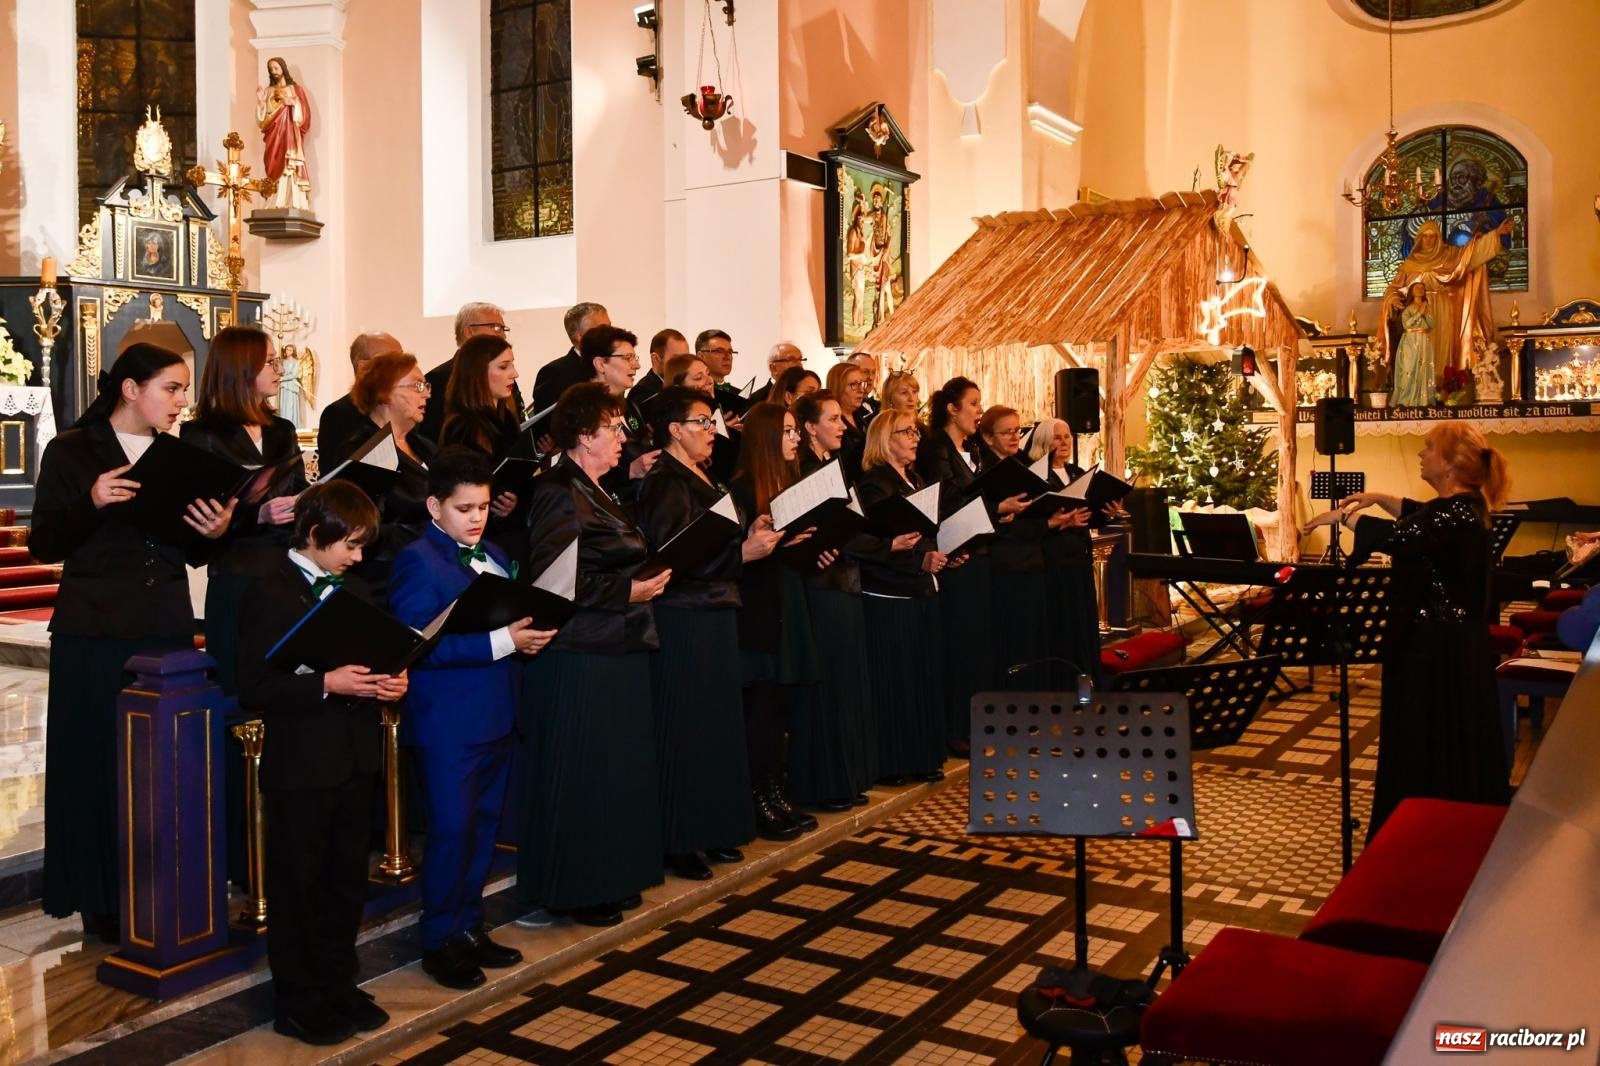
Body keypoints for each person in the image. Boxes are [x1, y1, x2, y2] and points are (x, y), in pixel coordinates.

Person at [29, 344, 236, 944]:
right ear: (129, 388)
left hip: (165, 623)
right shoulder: (72, 449)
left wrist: (215, 532)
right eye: (171, 388)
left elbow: (188, 548)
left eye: (183, 390)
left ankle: (163, 887)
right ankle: (100, 897)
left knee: (163, 763)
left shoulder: (178, 455)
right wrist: (91, 502)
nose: (181, 402)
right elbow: (45, 543)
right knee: (97, 762)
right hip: (95, 631)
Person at [236, 482, 405, 1045]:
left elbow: (375, 655)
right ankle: (299, 1000)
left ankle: (338, 983)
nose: (357, 557)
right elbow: (253, 685)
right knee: (299, 885)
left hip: (354, 757)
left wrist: (390, 680)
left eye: (362, 547)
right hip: (302, 762)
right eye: (349, 545)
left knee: (344, 883)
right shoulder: (268, 589)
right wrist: (327, 683)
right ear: (314, 534)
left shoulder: (353, 587)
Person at [388, 448, 554, 990]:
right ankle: (438, 940)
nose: (477, 517)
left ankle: (469, 926)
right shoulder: (418, 560)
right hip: (449, 723)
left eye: (483, 506)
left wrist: (528, 633)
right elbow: (417, 645)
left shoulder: (496, 553)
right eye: (464, 509)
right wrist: (505, 641)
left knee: (482, 829)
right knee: (451, 832)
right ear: (434, 506)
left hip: (497, 713)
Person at [1303, 422, 1512, 837]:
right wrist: (1380, 498)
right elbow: (1422, 516)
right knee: (1441, 742)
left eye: (1429, 447)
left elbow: (1406, 535)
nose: (1421, 453)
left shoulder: (1456, 513)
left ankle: (1424, 831)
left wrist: (1346, 517)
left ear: (1449, 465)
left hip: (1438, 653)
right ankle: (1431, 827)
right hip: (1447, 647)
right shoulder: (1462, 507)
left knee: (1427, 741)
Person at [517, 383, 672, 928]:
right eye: (612, 427)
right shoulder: (559, 490)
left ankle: (611, 874)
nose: (622, 436)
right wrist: (629, 590)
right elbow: (552, 579)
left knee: (614, 769)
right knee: (585, 771)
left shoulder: (598, 488)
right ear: (584, 436)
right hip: (581, 650)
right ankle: (579, 887)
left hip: (616, 643)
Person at [636, 387, 776, 880]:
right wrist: (743, 554)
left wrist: (748, 534)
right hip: (684, 614)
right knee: (686, 726)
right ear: (674, 430)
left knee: (715, 724)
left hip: (715, 610)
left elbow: (711, 540)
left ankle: (712, 827)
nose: (712, 430)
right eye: (701, 421)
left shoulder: (704, 475)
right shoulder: (664, 481)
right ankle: (680, 839)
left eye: (711, 421)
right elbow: (676, 556)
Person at [729, 402, 822, 839]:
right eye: (787, 431)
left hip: (788, 598)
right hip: (758, 609)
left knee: (780, 704)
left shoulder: (790, 483)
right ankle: (757, 799)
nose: (796, 437)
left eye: (795, 430)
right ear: (766, 438)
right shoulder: (742, 490)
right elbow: (738, 558)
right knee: (761, 708)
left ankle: (775, 791)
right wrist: (777, 544)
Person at [789, 389, 881, 809]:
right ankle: (823, 783)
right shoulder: (804, 472)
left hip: (845, 579)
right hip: (820, 586)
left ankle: (847, 777)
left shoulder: (835, 467)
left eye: (841, 419)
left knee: (847, 682)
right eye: (832, 419)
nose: (842, 426)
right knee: (827, 685)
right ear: (810, 427)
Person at [855, 409, 949, 784]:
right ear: (884, 439)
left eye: (915, 432)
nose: (915, 438)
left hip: (919, 588)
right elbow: (875, 544)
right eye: (906, 432)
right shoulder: (873, 486)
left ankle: (922, 756)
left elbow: (923, 534)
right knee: (895, 682)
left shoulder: (916, 479)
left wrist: (940, 553)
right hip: (889, 593)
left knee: (921, 677)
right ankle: (894, 763)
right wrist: (918, 560)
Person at [916, 377, 995, 755]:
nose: (979, 411)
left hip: (979, 554)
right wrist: (995, 505)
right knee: (958, 644)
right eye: (973, 403)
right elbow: (945, 499)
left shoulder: (974, 449)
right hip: (953, 555)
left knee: (978, 643)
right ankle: (954, 726)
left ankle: (976, 720)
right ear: (952, 408)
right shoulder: (936, 448)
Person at [346, 351, 436, 600]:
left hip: (430, 565)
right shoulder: (364, 451)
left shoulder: (425, 446)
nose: (427, 394)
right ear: (384, 393)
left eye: (425, 385)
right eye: (417, 386)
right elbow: (366, 528)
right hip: (390, 579)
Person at [980, 405, 1053, 689]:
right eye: (1006, 432)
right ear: (988, 438)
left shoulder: (1024, 465)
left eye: (1017, 431)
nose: (1014, 437)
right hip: (1005, 566)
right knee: (1014, 639)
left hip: (1033, 560)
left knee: (1035, 638)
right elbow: (996, 526)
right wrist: (1045, 523)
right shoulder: (984, 471)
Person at [1026, 418, 1102, 689]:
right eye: (1057, 437)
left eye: (1067, 436)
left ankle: (1088, 682)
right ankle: (1065, 687)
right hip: (1055, 563)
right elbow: (1035, 522)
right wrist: (1062, 523)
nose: (1064, 442)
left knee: (1083, 625)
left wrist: (1106, 512)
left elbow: (1088, 516)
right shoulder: (1036, 478)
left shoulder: (1077, 472)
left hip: (1080, 559)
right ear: (1043, 442)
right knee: (1064, 627)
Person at [440, 335, 525, 557]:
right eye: (504, 367)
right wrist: (499, 499)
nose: (514, 374)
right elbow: (461, 485)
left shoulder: (507, 417)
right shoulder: (462, 426)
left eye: (512, 365)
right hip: (485, 537)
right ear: (478, 372)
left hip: (511, 528)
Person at [420, 302, 525, 441]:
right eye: (495, 327)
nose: (503, 336)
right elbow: (431, 435)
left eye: (503, 329)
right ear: (469, 331)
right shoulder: (438, 379)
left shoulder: (505, 380)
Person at [583, 324, 660, 496]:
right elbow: (581, 473)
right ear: (600, 364)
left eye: (634, 358)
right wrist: (629, 471)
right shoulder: (585, 412)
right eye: (627, 358)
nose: (637, 365)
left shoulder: (629, 407)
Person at [319, 331, 402, 470]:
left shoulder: (402, 408)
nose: (403, 368)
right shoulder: (338, 413)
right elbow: (334, 473)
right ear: (363, 366)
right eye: (392, 361)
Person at [532, 301, 611, 413]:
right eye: (603, 329)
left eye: (610, 327)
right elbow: (548, 420)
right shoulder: (553, 374)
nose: (611, 333)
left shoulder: (612, 365)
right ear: (580, 336)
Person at [257, 56, 312, 211]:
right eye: (271, 69)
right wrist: (261, 102)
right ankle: (274, 200)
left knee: (289, 165)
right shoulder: (268, 91)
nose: (274, 71)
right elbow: (263, 121)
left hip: (290, 135)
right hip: (274, 135)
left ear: (283, 68)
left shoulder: (295, 89)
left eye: (276, 68)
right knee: (273, 162)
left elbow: (305, 116)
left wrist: (294, 103)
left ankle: (293, 201)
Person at [1390, 282, 1435, 407]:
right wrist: (1419, 313)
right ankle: (1406, 398)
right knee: (1409, 367)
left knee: (1424, 368)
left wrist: (1425, 313)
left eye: (1422, 288)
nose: (1420, 290)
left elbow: (1431, 325)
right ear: (1411, 291)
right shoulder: (1407, 308)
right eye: (1417, 288)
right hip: (1410, 340)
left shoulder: (1427, 307)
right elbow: (1407, 324)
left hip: (1424, 339)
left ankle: (1423, 399)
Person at [825, 361, 870, 480]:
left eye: (861, 384)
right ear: (838, 388)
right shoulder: (831, 423)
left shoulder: (863, 416)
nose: (861, 390)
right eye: (853, 384)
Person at [630, 327, 688, 410]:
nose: (684, 364)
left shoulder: (686, 387)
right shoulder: (642, 393)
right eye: (676, 359)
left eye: (687, 358)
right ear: (656, 359)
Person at [696, 329, 750, 417]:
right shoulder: (693, 395)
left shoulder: (740, 395)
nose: (727, 357)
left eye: (730, 352)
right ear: (701, 356)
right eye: (719, 351)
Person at [849, 350, 882, 419]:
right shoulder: (847, 411)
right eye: (865, 372)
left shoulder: (879, 407)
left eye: (873, 372)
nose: (871, 377)